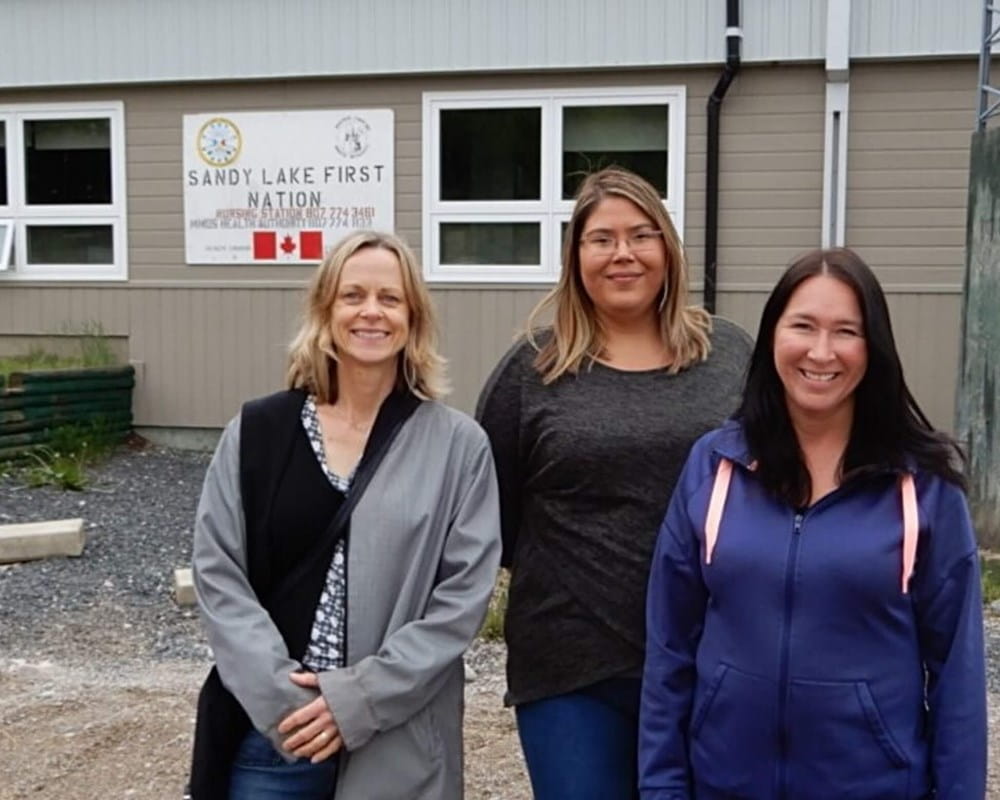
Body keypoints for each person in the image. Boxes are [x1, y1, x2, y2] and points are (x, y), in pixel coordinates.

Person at [639, 247, 987, 799]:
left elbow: (958, 677)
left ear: (873, 348)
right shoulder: (715, 466)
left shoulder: (923, 488)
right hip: (724, 784)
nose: (821, 351)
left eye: (846, 331)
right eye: (803, 325)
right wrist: (662, 788)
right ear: (773, 334)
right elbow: (669, 647)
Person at [188, 230, 501, 800]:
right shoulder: (257, 433)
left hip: (399, 739)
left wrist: (357, 699)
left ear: (414, 317)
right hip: (276, 737)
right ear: (325, 310)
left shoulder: (458, 446)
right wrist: (287, 699)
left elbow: (460, 602)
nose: (371, 312)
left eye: (390, 298)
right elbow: (218, 572)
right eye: (352, 295)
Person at [475, 167, 752, 799]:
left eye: (642, 235)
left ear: (668, 250)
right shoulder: (532, 371)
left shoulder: (730, 355)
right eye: (601, 239)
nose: (623, 253)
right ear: (576, 257)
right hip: (573, 667)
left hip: (713, 655)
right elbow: (491, 510)